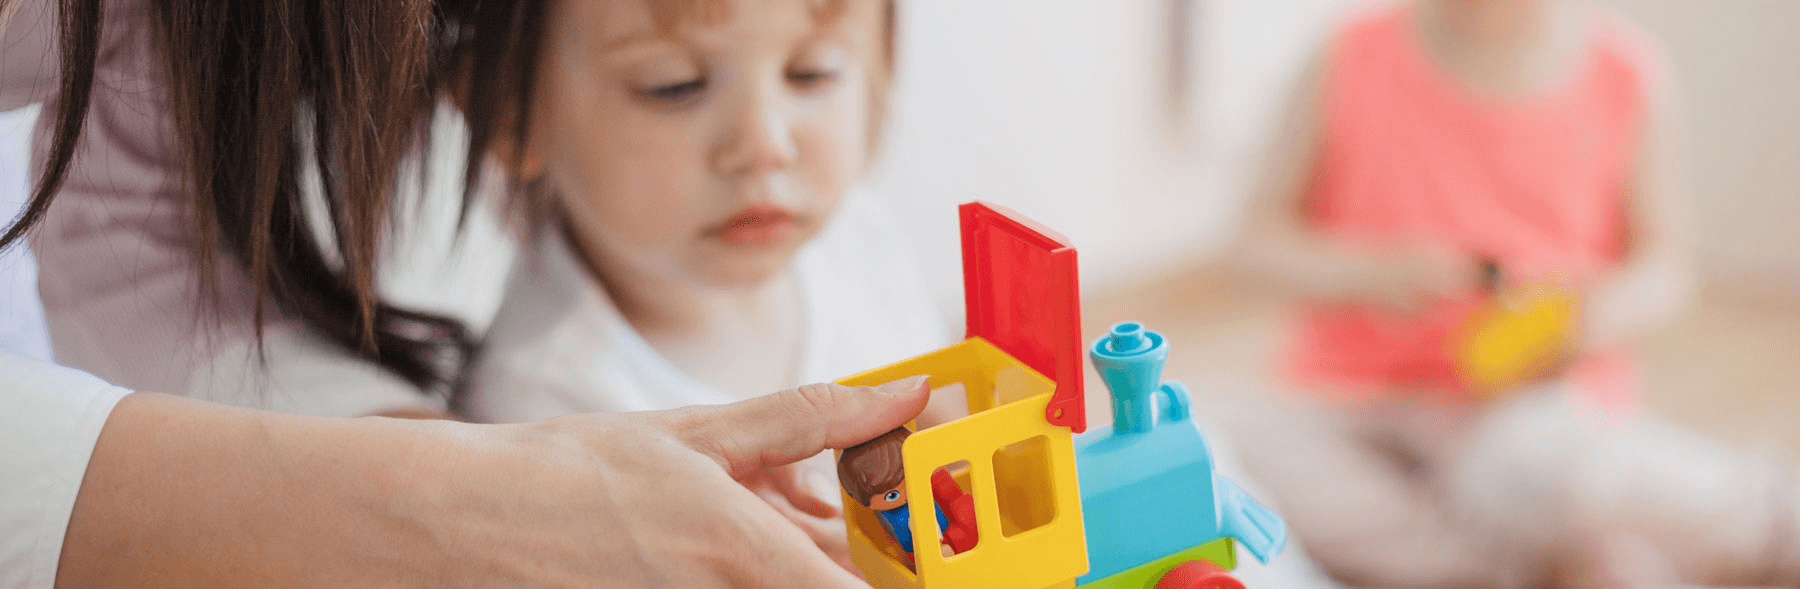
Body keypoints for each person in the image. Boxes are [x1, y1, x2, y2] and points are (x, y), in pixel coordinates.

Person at [0, 0, 930, 585]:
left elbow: (153, 231)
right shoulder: (544, 387)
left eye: (813, 73)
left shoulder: (866, 248)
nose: (765, 144)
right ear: (506, 112)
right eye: (672, 84)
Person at [1226, 0, 1800, 586]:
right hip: (1347, 401)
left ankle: (1768, 516)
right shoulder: (1344, 55)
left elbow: (1665, 267)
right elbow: (1253, 242)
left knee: (1544, 469)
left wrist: (1591, 321)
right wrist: (1369, 274)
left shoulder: (1624, 74)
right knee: (1238, 460)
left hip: (1528, 407)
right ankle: (1545, 560)